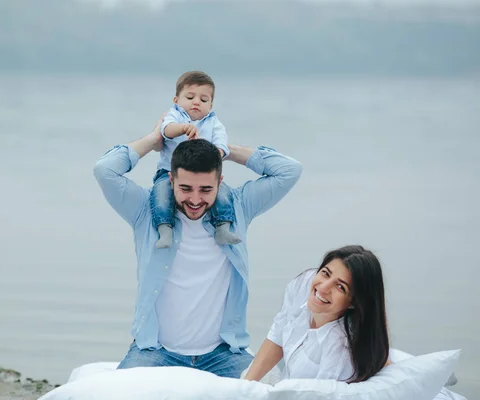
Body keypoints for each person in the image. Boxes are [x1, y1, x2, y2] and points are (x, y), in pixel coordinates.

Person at [93, 117, 302, 379]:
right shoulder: (145, 210)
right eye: (185, 188)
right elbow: (104, 170)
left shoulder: (238, 207)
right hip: (155, 351)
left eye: (205, 189)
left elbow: (290, 170)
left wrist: (224, 150)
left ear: (219, 181)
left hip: (223, 355)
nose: (194, 199)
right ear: (170, 180)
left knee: (273, 391)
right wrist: (153, 140)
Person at [243, 245, 390, 383]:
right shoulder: (304, 285)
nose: (323, 288)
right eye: (326, 273)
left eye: (340, 287)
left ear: (354, 302)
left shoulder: (340, 350)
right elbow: (277, 335)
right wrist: (243, 388)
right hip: (284, 385)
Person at [151, 70, 240, 249]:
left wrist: (213, 155)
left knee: (223, 194)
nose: (196, 102)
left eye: (204, 100)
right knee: (160, 194)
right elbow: (165, 130)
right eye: (190, 97)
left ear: (211, 105)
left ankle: (223, 226)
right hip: (168, 171)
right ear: (176, 100)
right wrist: (183, 128)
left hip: (205, 172)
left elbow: (221, 146)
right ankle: (164, 229)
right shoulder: (175, 116)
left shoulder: (214, 123)